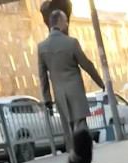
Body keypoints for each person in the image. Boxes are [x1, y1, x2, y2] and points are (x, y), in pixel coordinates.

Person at [37, 9, 104, 152]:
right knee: (81, 124)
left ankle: (73, 155)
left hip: (59, 93)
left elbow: (42, 76)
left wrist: (47, 99)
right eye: (65, 21)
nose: (67, 24)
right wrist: (100, 82)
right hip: (76, 91)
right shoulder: (71, 42)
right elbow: (86, 64)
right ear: (60, 23)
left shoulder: (42, 47)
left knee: (67, 128)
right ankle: (85, 154)